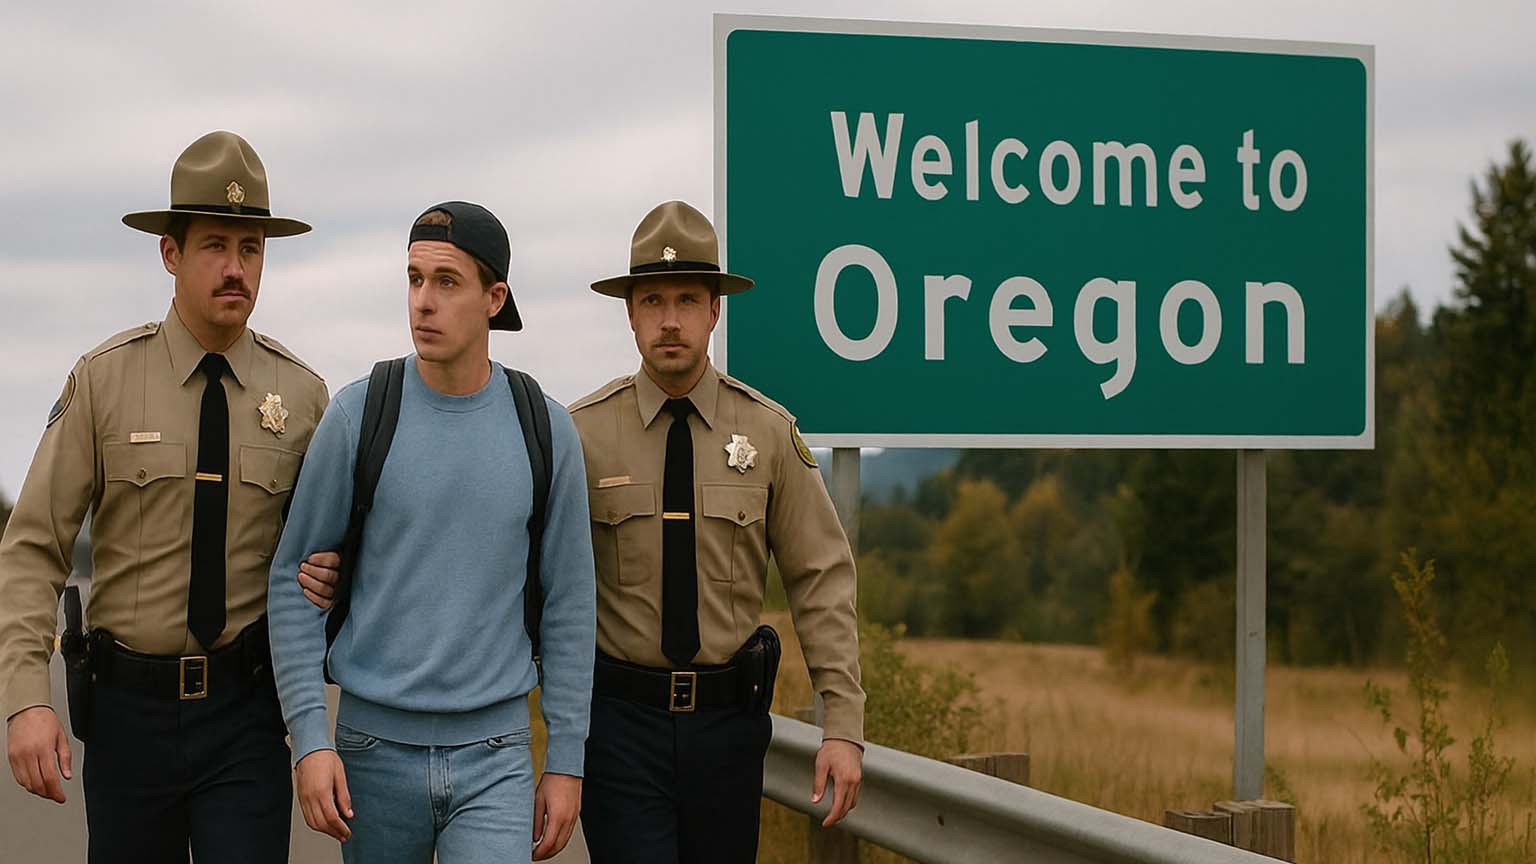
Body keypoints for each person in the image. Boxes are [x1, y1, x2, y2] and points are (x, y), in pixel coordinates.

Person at [0, 130, 335, 862]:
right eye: (215, 245)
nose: (235, 268)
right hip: (129, 721)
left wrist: (333, 575)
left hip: (246, 717)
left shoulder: (305, 397)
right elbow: (33, 548)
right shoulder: (105, 381)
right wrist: (27, 697)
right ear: (170, 253)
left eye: (251, 251)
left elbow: (333, 551)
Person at [267, 201, 596, 863]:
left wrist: (565, 760)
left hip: (496, 757)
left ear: (493, 298)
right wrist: (310, 738)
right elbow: (291, 582)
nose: (423, 301)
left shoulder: (545, 428)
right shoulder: (360, 414)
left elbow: (570, 603)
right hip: (370, 751)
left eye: (447, 282)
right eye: (414, 279)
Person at [569, 200, 865, 863]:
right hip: (619, 727)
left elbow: (821, 578)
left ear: (714, 310)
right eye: (651, 301)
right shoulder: (581, 435)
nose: (669, 320)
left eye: (686, 299)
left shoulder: (767, 433)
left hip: (729, 730)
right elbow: (536, 581)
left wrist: (842, 725)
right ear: (630, 313)